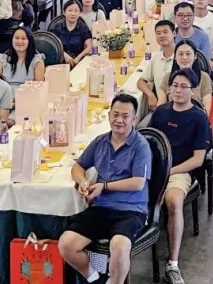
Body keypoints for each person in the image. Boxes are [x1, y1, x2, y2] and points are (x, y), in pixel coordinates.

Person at [59, 93, 152, 284]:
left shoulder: (140, 146)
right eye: (115, 115)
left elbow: (138, 182)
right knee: (66, 244)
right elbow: (77, 167)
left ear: (134, 119)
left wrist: (105, 186)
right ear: (109, 115)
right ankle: (95, 278)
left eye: (125, 116)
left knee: (119, 246)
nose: (119, 120)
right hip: (101, 208)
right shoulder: (100, 141)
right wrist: (83, 182)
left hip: (131, 210)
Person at [149, 68, 212, 284]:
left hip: (180, 171)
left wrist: (169, 171)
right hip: (155, 169)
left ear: (193, 91)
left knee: (174, 202)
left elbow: (198, 159)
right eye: (175, 85)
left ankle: (173, 264)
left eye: (184, 86)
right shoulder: (160, 113)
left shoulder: (199, 118)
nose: (178, 90)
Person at [159, 40, 213, 112]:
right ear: (175, 57)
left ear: (195, 56)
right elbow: (160, 108)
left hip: (196, 118)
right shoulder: (167, 77)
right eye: (181, 54)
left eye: (188, 54)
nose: (184, 57)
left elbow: (206, 111)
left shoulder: (204, 77)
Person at [136, 20, 178, 113]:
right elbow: (141, 82)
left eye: (165, 32)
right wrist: (151, 95)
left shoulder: (182, 57)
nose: (161, 35)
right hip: (160, 107)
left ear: (174, 33)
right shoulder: (156, 57)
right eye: (158, 33)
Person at [53, 0, 94, 67]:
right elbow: (52, 45)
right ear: (64, 12)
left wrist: (78, 58)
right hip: (59, 63)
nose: (73, 14)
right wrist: (64, 55)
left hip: (78, 63)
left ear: (80, 13)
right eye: (70, 10)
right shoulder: (56, 27)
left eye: (76, 11)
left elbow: (90, 46)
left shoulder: (83, 27)